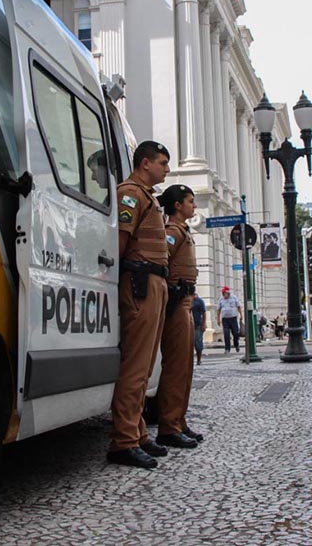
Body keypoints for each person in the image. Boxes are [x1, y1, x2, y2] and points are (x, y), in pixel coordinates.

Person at [108, 141, 171, 469]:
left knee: (146, 367)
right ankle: (124, 441)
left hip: (154, 283)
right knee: (135, 366)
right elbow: (120, 243)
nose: (167, 169)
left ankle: (139, 433)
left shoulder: (146, 197)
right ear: (145, 163)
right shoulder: (130, 194)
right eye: (162, 163)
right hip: (141, 284)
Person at [153, 185, 201, 449]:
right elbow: (163, 259)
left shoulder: (182, 231)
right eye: (190, 201)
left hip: (186, 300)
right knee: (176, 365)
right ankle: (169, 426)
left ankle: (178, 421)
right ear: (178, 205)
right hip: (176, 300)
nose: (194, 206)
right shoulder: (172, 231)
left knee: (186, 365)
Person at [217, 287, 242, 353]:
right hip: (225, 319)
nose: (224, 295)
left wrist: (241, 315)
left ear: (228, 293)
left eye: (225, 293)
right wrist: (218, 319)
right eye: (223, 293)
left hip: (233, 318)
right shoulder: (221, 299)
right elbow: (218, 309)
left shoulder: (234, 298)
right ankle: (227, 348)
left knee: (235, 333)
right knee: (226, 334)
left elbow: (239, 306)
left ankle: (236, 344)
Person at [191, 293, 206, 366]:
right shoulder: (188, 300)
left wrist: (203, 324)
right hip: (190, 325)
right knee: (190, 343)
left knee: (198, 343)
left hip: (198, 324)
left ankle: (199, 359)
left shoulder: (199, 301)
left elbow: (204, 313)